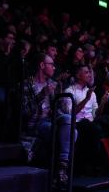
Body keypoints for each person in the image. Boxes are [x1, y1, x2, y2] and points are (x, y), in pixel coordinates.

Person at [22, 53, 76, 185]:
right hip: (35, 124)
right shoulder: (26, 84)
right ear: (42, 65)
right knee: (73, 133)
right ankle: (61, 170)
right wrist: (42, 94)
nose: (54, 68)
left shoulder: (52, 84)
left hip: (50, 120)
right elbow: (25, 112)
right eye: (51, 64)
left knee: (68, 120)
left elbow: (59, 111)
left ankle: (62, 166)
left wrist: (61, 100)